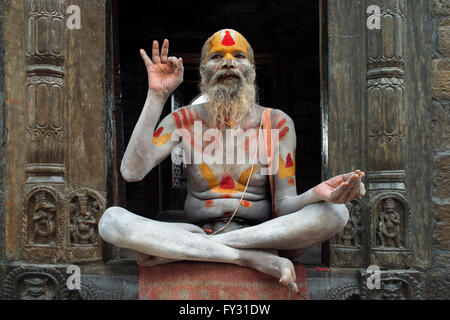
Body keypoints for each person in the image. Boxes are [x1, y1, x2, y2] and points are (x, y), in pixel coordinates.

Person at [99, 29, 366, 293]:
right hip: (199, 232)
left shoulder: (277, 123)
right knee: (112, 221)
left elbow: (285, 207)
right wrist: (157, 96)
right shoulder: (183, 120)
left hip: (263, 233)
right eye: (217, 57)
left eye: (238, 55)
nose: (228, 62)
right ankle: (248, 257)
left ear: (251, 69)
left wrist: (316, 194)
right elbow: (131, 172)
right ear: (203, 70)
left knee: (336, 213)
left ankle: (199, 252)